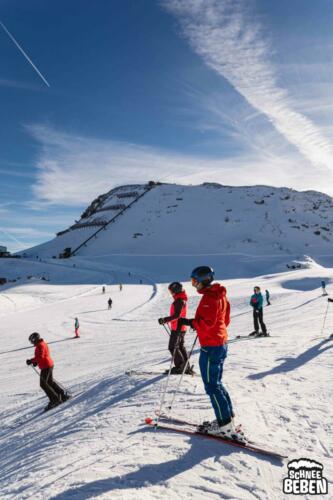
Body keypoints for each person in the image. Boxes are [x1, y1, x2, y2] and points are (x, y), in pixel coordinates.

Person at [177, 266, 244, 441]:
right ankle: (227, 420)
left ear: (205, 280)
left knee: (212, 386)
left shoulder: (209, 298)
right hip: (220, 343)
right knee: (217, 383)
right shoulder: (220, 295)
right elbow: (225, 319)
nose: (194, 285)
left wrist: (192, 323)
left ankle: (225, 427)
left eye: (195, 281)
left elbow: (206, 323)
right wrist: (205, 327)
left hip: (211, 346)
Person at [26, 332, 70, 411]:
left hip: (46, 366)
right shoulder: (42, 344)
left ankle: (55, 399)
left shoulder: (40, 345)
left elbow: (40, 356)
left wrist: (31, 361)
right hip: (48, 364)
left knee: (43, 384)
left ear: (35, 339)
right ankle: (61, 395)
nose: (32, 343)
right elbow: (42, 356)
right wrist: (36, 362)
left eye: (32, 341)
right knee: (49, 382)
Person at [158, 282, 192, 374]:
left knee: (172, 347)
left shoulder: (179, 301)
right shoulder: (182, 300)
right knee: (180, 346)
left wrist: (165, 320)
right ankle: (186, 367)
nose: (171, 293)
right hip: (181, 327)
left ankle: (180, 367)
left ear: (176, 290)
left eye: (171, 291)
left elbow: (177, 315)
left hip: (177, 328)